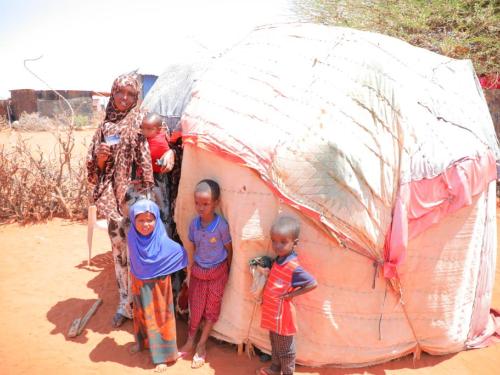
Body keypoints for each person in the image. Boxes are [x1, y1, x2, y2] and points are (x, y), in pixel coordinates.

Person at [86, 73, 154, 327]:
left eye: (130, 94)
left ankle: (144, 304)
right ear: (112, 94)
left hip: (139, 197)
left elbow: (161, 142)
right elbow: (93, 170)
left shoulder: (143, 119)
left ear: (137, 97)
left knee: (141, 250)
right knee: (119, 251)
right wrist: (102, 158)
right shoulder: (105, 126)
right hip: (113, 199)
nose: (124, 98)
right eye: (120, 92)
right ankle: (125, 303)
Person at [127, 199, 188, 373]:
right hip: (139, 282)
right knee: (140, 314)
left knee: (159, 317)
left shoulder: (162, 241)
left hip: (158, 287)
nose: (145, 224)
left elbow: (180, 253)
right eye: (140, 220)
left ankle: (163, 356)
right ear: (133, 220)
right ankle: (142, 343)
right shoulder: (132, 236)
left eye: (150, 219)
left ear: (157, 220)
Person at [179, 179, 233, 369]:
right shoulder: (194, 225)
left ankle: (201, 345)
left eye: (205, 204)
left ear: (216, 203)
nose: (200, 208)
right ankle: (190, 340)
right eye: (197, 203)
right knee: (196, 307)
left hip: (218, 272)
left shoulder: (221, 226)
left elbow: (229, 249)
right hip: (199, 273)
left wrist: (228, 270)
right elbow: (193, 246)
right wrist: (191, 268)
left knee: (211, 309)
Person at [258, 215, 318, 375]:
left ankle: (287, 372)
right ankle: (275, 368)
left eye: (283, 242)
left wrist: (293, 295)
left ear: (294, 243)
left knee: (286, 350)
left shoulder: (293, 267)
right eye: (274, 241)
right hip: (273, 314)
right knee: (275, 344)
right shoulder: (279, 260)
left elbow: (312, 283)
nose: (277, 246)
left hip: (283, 316)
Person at [139, 112, 175, 233]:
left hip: (158, 178)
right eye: (142, 128)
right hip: (148, 178)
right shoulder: (146, 139)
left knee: (161, 207)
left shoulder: (159, 141)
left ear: (158, 129)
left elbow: (149, 158)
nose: (145, 131)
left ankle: (165, 236)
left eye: (149, 129)